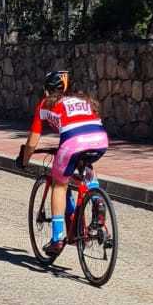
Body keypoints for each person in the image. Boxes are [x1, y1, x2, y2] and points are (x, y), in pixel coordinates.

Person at [19, 66, 110, 257]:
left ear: (47, 90)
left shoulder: (45, 104)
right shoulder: (83, 100)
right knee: (86, 169)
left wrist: (24, 160)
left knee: (59, 184)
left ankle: (57, 238)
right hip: (100, 140)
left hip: (72, 142)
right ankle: (98, 203)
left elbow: (33, 141)